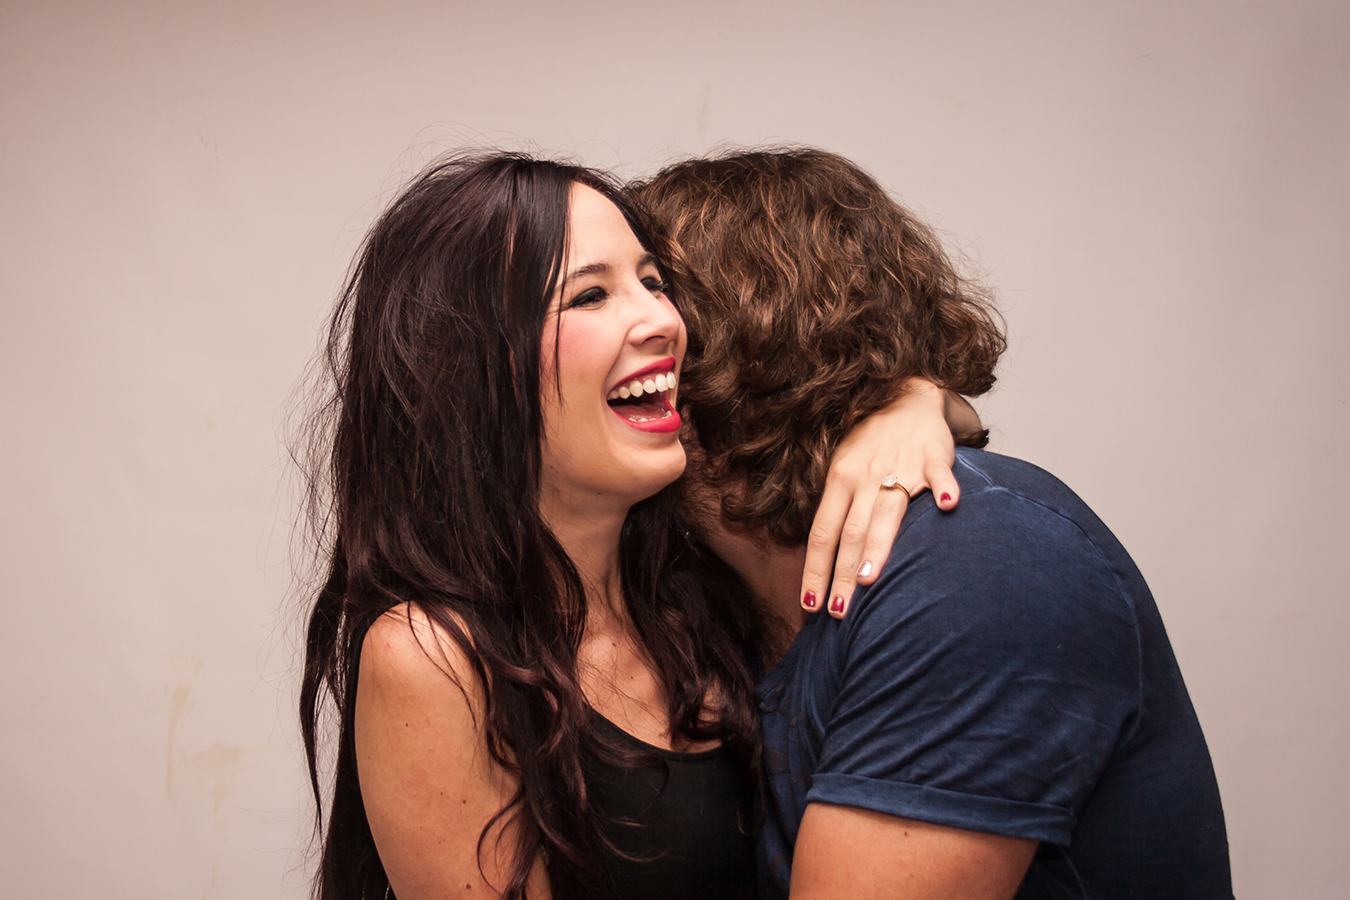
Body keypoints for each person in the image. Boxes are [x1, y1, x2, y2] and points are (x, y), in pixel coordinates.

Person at [297, 152, 965, 900]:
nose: (664, 320)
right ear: (471, 367)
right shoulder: (434, 656)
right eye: (590, 295)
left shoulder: (703, 580)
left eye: (653, 282)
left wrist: (912, 401)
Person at [630, 147, 1233, 899]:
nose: (628, 334)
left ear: (736, 337)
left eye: (651, 293)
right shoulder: (696, 579)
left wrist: (920, 397)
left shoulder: (976, 558)